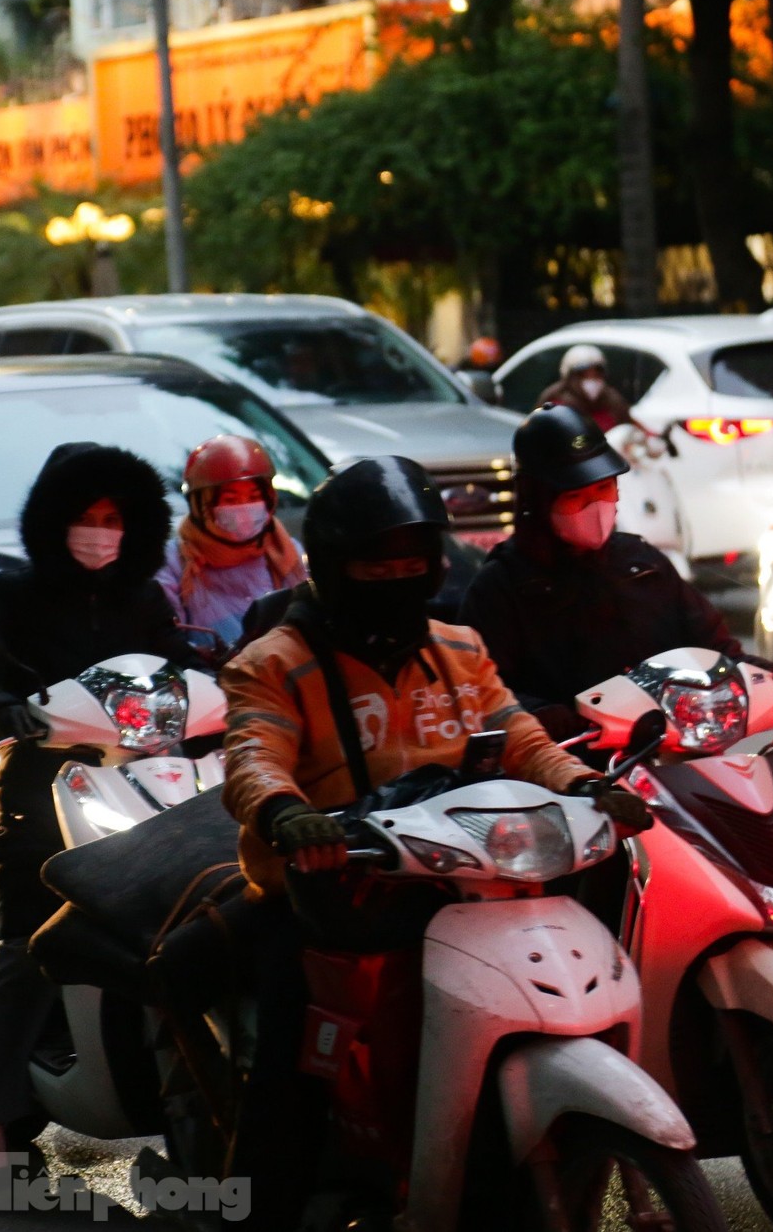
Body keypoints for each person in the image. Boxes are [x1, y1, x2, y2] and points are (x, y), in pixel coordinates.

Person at [217, 456, 647, 1227]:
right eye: (376, 565)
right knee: (290, 1074)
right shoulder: (272, 662)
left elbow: (519, 735)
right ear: (336, 566)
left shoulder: (458, 647)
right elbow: (253, 757)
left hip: (466, 882)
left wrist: (586, 785)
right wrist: (288, 814)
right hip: (331, 896)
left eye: (411, 563)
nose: (396, 578)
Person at [0, 442, 196, 1191]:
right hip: (38, 788)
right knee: (29, 941)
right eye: (87, 517)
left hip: (143, 786)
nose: (100, 532)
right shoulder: (12, 595)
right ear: (55, 520)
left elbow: (181, 670)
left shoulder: (146, 601)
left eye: (114, 519)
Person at [460, 404, 773, 737]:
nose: (596, 506)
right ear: (537, 501)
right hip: (563, 769)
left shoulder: (643, 564)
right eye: (576, 497)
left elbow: (717, 651)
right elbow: (483, 694)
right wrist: (553, 717)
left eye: (604, 488)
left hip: (664, 752)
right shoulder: (500, 587)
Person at [155, 435, 306, 649]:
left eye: (254, 497)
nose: (244, 509)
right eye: (230, 499)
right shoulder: (173, 564)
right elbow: (169, 642)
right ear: (201, 505)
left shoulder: (287, 552)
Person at [536, 344, 632, 432]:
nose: (592, 381)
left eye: (596, 376)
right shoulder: (555, 408)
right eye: (584, 376)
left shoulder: (615, 404)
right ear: (570, 378)